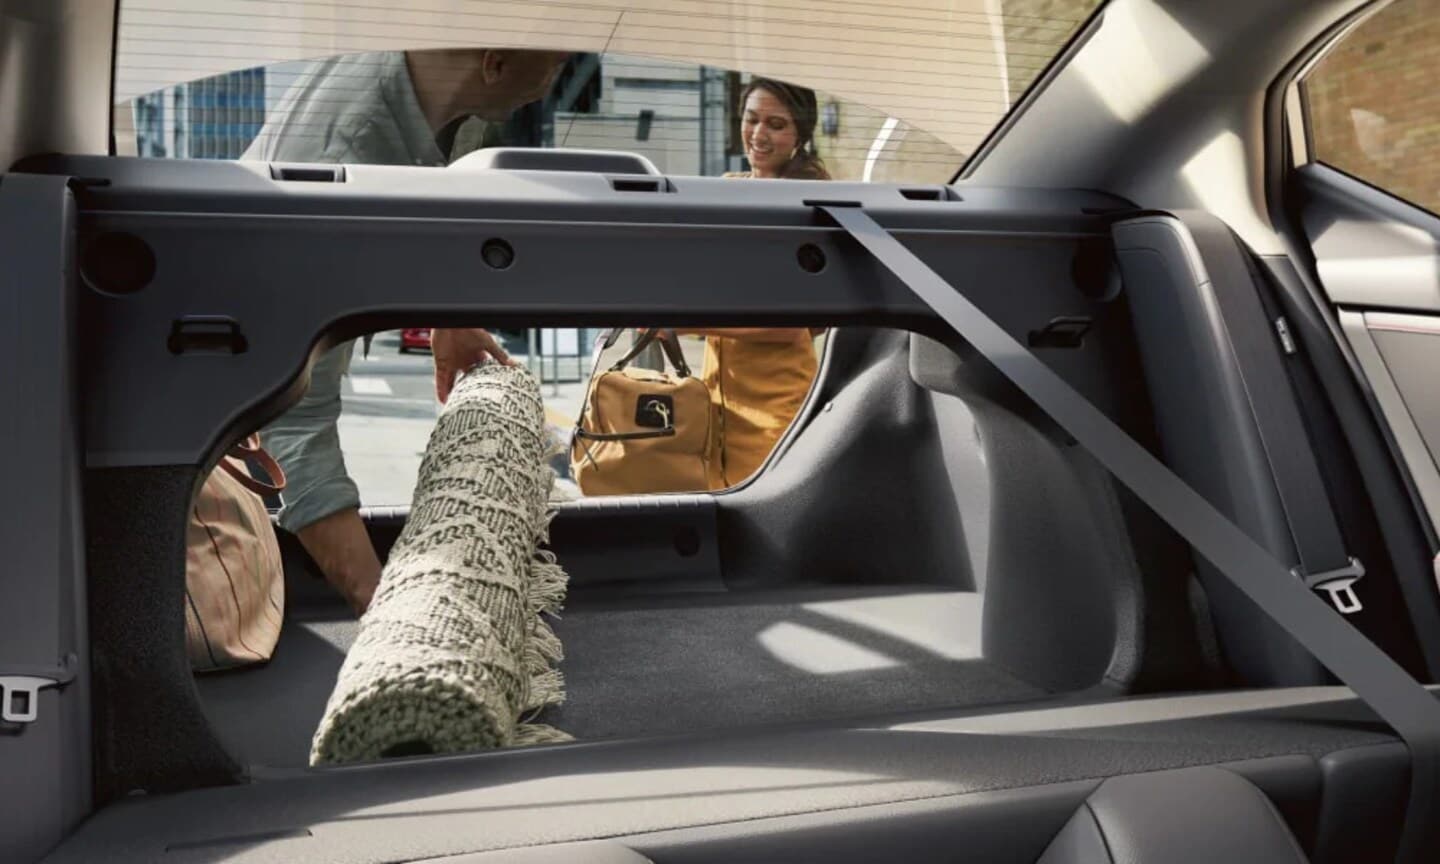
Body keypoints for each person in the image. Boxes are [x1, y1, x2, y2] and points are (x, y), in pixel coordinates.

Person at [245, 48, 569, 613]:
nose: (552, 85)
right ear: (494, 64)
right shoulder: (339, 174)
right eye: (559, 64)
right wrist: (387, 612)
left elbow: (432, 207)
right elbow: (291, 421)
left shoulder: (433, 90)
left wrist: (450, 313)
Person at [658, 78, 830, 488]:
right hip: (716, 402)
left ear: (800, 134)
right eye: (751, 120)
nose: (758, 134)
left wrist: (687, 323)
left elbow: (790, 323)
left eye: (776, 124)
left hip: (774, 408)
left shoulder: (808, 199)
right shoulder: (728, 188)